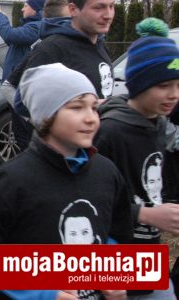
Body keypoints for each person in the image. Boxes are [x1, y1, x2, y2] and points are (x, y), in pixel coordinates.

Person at [0, 63, 132, 300]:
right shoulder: (10, 180)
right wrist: (44, 293)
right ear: (46, 115)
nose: (91, 118)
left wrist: (114, 275)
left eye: (94, 107)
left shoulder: (107, 172)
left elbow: (114, 234)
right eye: (77, 107)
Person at [94, 35, 179, 298]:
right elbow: (89, 200)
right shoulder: (110, 131)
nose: (174, 94)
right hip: (111, 261)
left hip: (147, 255)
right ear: (140, 82)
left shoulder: (159, 124)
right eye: (164, 85)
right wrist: (144, 214)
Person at [18, 0, 116, 100]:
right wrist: (78, 108)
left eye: (111, 6)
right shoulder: (52, 49)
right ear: (73, 9)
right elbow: (22, 101)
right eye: (98, 8)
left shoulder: (100, 45)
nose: (108, 15)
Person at [0, 0, 45, 151]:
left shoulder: (36, 27)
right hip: (19, 89)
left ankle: (29, 162)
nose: (22, 9)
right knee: (20, 134)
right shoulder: (30, 27)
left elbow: (9, 35)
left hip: (22, 90)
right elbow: (11, 39)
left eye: (26, 5)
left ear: (35, 9)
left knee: (25, 137)